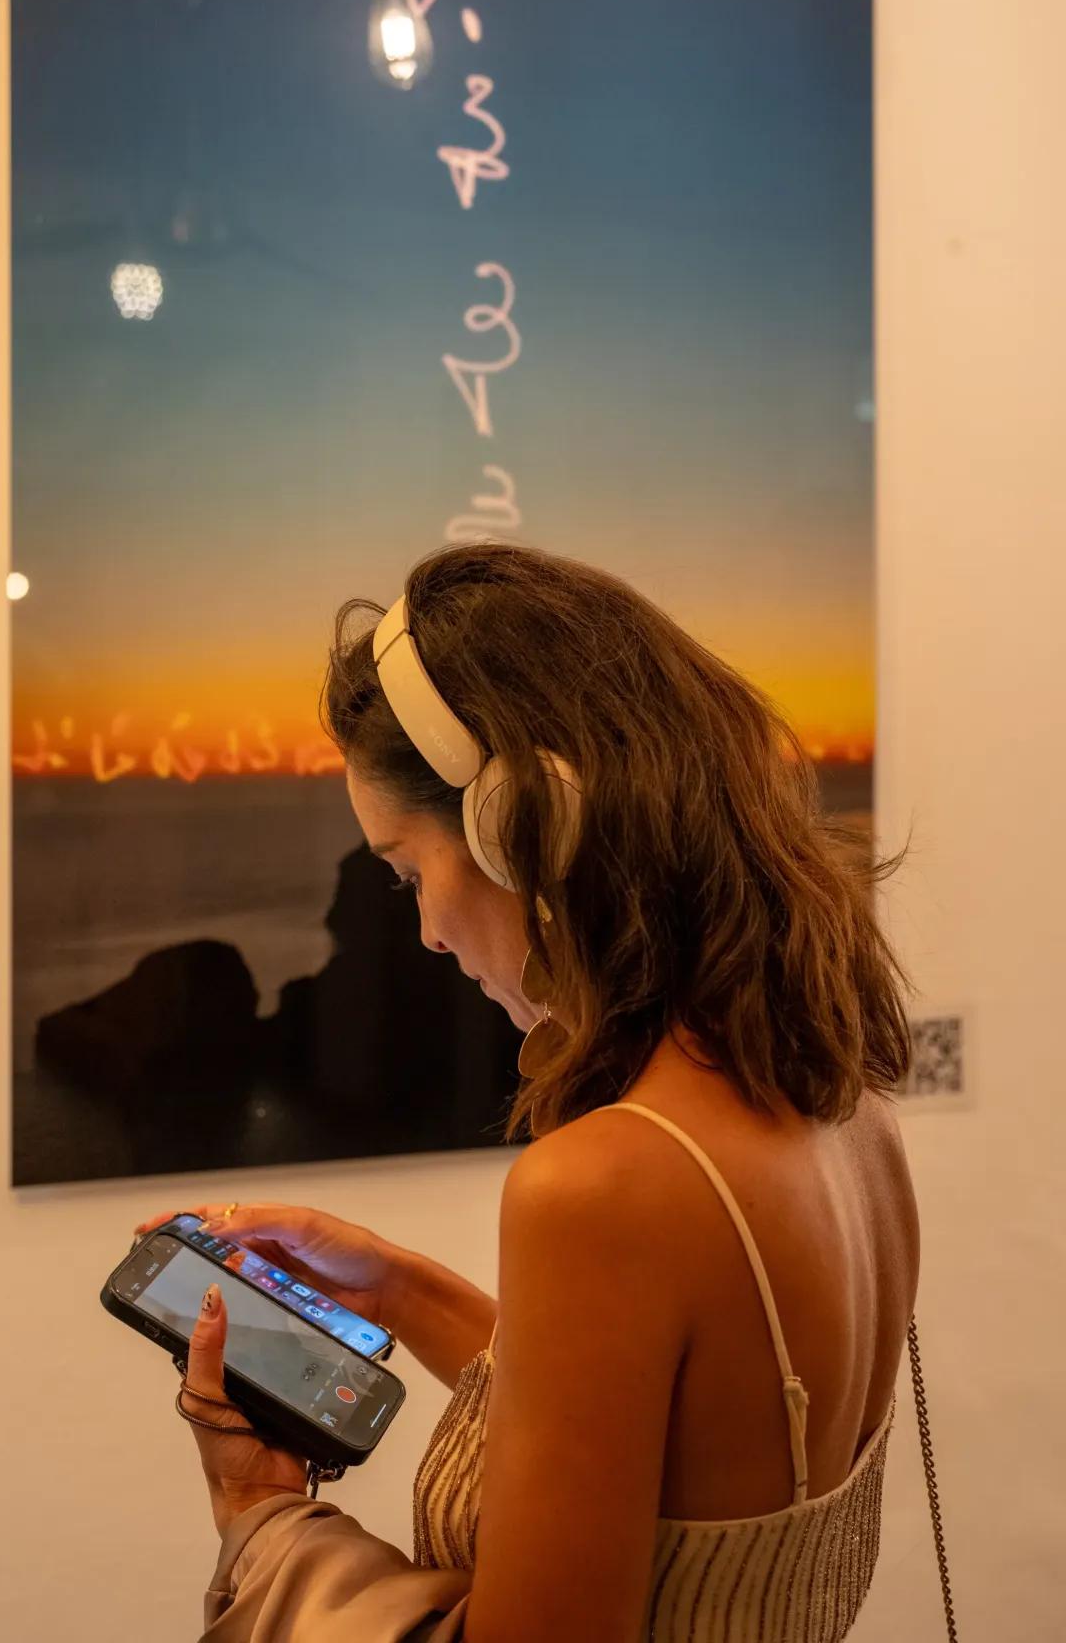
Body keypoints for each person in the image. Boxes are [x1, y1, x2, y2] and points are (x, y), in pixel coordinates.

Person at [137, 542, 919, 1643]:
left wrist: (264, 1520)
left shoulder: (608, 1184)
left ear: (520, 825)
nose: (425, 931)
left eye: (408, 871)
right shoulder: (844, 1104)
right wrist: (395, 1285)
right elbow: (674, 1428)